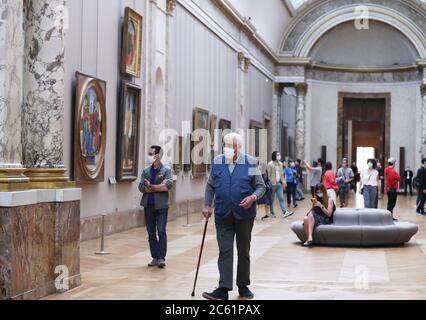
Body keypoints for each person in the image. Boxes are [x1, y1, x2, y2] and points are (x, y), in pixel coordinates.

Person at [202, 132, 266, 300]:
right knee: (225, 250)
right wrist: (207, 205)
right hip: (223, 213)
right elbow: (210, 186)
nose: (228, 149)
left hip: (244, 215)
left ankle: (243, 286)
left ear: (239, 147)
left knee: (244, 250)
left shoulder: (251, 162)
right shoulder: (217, 162)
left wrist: (253, 198)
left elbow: (261, 187)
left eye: (231, 146)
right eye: (226, 145)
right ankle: (223, 288)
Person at [138, 145, 174, 268]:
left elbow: (167, 186)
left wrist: (151, 186)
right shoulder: (146, 171)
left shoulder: (166, 170)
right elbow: (141, 187)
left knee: (161, 230)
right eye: (148, 153)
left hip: (162, 206)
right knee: (151, 232)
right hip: (148, 205)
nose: (149, 156)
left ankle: (161, 258)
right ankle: (155, 256)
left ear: (158, 155)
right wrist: (157, 187)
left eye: (151, 153)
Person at [267, 152, 294, 218]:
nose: (279, 156)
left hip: (279, 184)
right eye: (278, 155)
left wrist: (284, 182)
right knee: (272, 199)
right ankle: (272, 213)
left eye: (279, 155)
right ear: (274, 156)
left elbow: (282, 174)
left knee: (281, 198)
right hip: (272, 184)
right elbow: (268, 175)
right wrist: (270, 182)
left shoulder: (281, 164)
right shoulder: (270, 164)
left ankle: (285, 212)